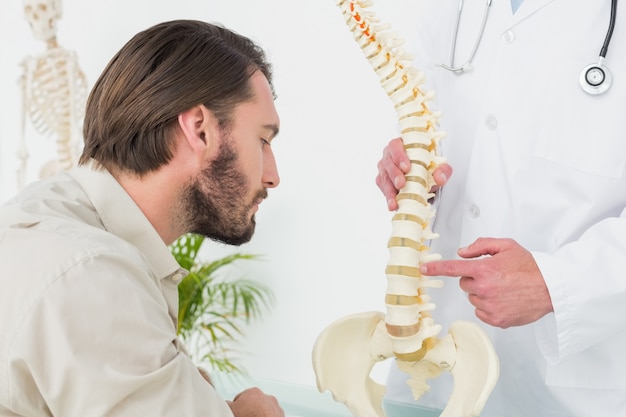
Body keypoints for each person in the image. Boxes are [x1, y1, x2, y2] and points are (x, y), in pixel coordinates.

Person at [0, 19, 284, 417]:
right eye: (264, 141)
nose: (273, 175)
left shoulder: (43, 217)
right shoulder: (93, 276)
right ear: (200, 130)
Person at [375, 1, 626, 416]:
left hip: (568, 390)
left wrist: (556, 284)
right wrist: (412, 172)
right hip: (433, 369)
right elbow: (428, 122)